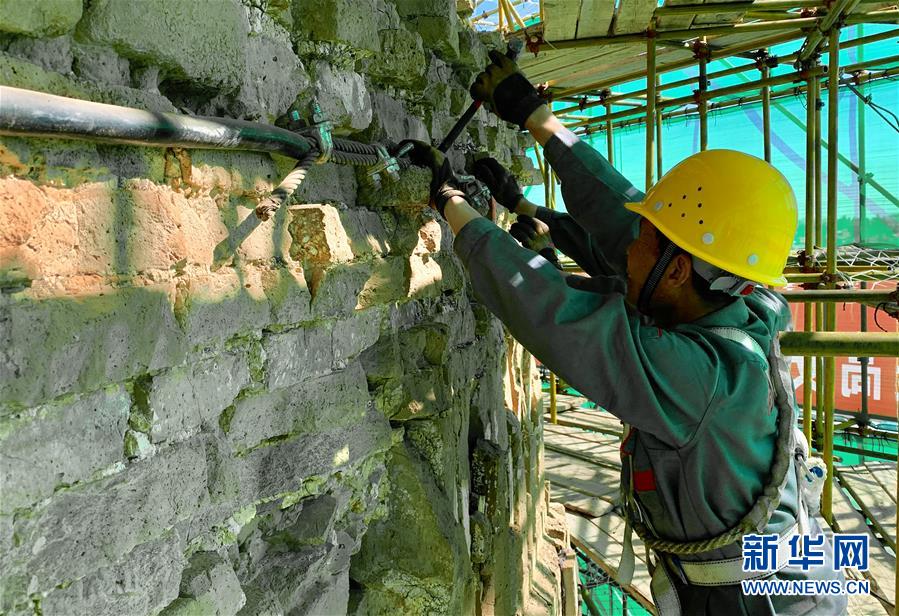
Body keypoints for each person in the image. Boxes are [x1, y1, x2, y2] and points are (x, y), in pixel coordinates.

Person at [401, 50, 847, 615]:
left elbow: (563, 318)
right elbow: (620, 228)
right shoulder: (737, 297)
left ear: (681, 270)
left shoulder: (700, 377)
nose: (626, 250)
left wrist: (453, 205)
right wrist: (538, 133)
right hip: (794, 575)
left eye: (645, 241)